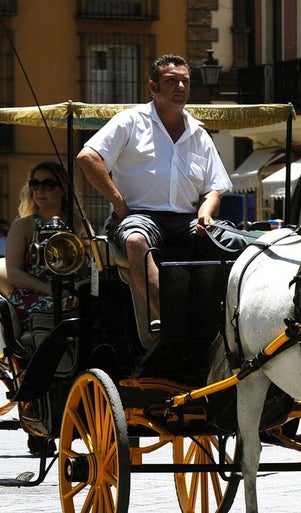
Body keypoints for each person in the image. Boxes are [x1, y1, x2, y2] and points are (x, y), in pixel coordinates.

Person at [76, 53, 231, 331]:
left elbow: (214, 187)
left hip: (187, 220)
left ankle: (226, 319)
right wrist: (120, 206)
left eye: (184, 82)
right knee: (136, 241)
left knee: (234, 241)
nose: (180, 88)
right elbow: (88, 158)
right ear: (153, 87)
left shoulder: (199, 134)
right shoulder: (130, 121)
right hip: (141, 216)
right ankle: (173, 322)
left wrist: (206, 213)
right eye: (172, 81)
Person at [5, 161, 84, 325]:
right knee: (71, 306)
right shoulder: (23, 226)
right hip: (35, 294)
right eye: (35, 184)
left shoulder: (78, 224)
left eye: (48, 185)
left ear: (63, 189)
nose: (39, 191)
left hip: (73, 292)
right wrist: (52, 291)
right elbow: (13, 272)